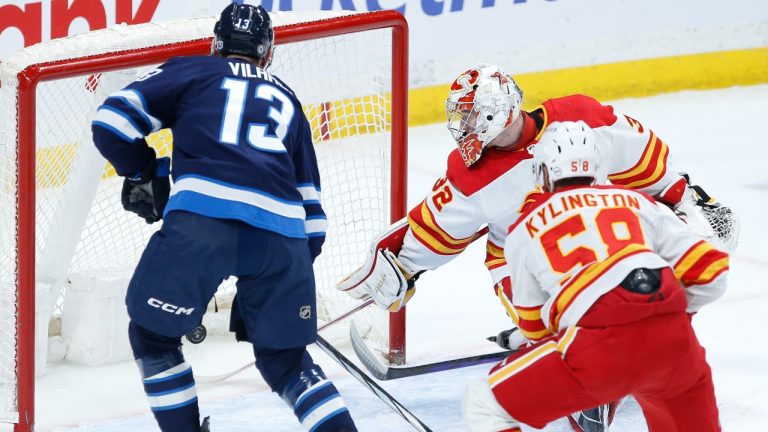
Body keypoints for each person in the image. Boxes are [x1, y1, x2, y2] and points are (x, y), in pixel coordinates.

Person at [336, 63, 738, 431]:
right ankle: (615, 363)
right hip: (528, 255)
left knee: (566, 328)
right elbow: (434, 227)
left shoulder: (585, 118)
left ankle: (593, 369)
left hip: (587, 248)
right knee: (645, 284)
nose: (463, 127)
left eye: (471, 116)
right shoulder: (478, 174)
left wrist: (538, 336)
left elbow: (652, 170)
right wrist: (401, 262)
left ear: (498, 111)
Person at [91, 4, 357, 432]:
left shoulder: (193, 72)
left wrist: (144, 171)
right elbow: (314, 219)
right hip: (283, 241)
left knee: (153, 338)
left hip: (202, 226)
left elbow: (111, 122)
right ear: (267, 52)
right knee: (286, 361)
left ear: (215, 43)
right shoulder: (288, 99)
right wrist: (274, 289)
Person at [461, 120, 727, 431]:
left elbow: (535, 329)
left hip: (596, 351)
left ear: (543, 172)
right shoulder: (640, 202)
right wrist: (659, 321)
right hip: (676, 348)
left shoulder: (524, 228)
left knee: (483, 402)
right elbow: (711, 271)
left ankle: (600, 393)